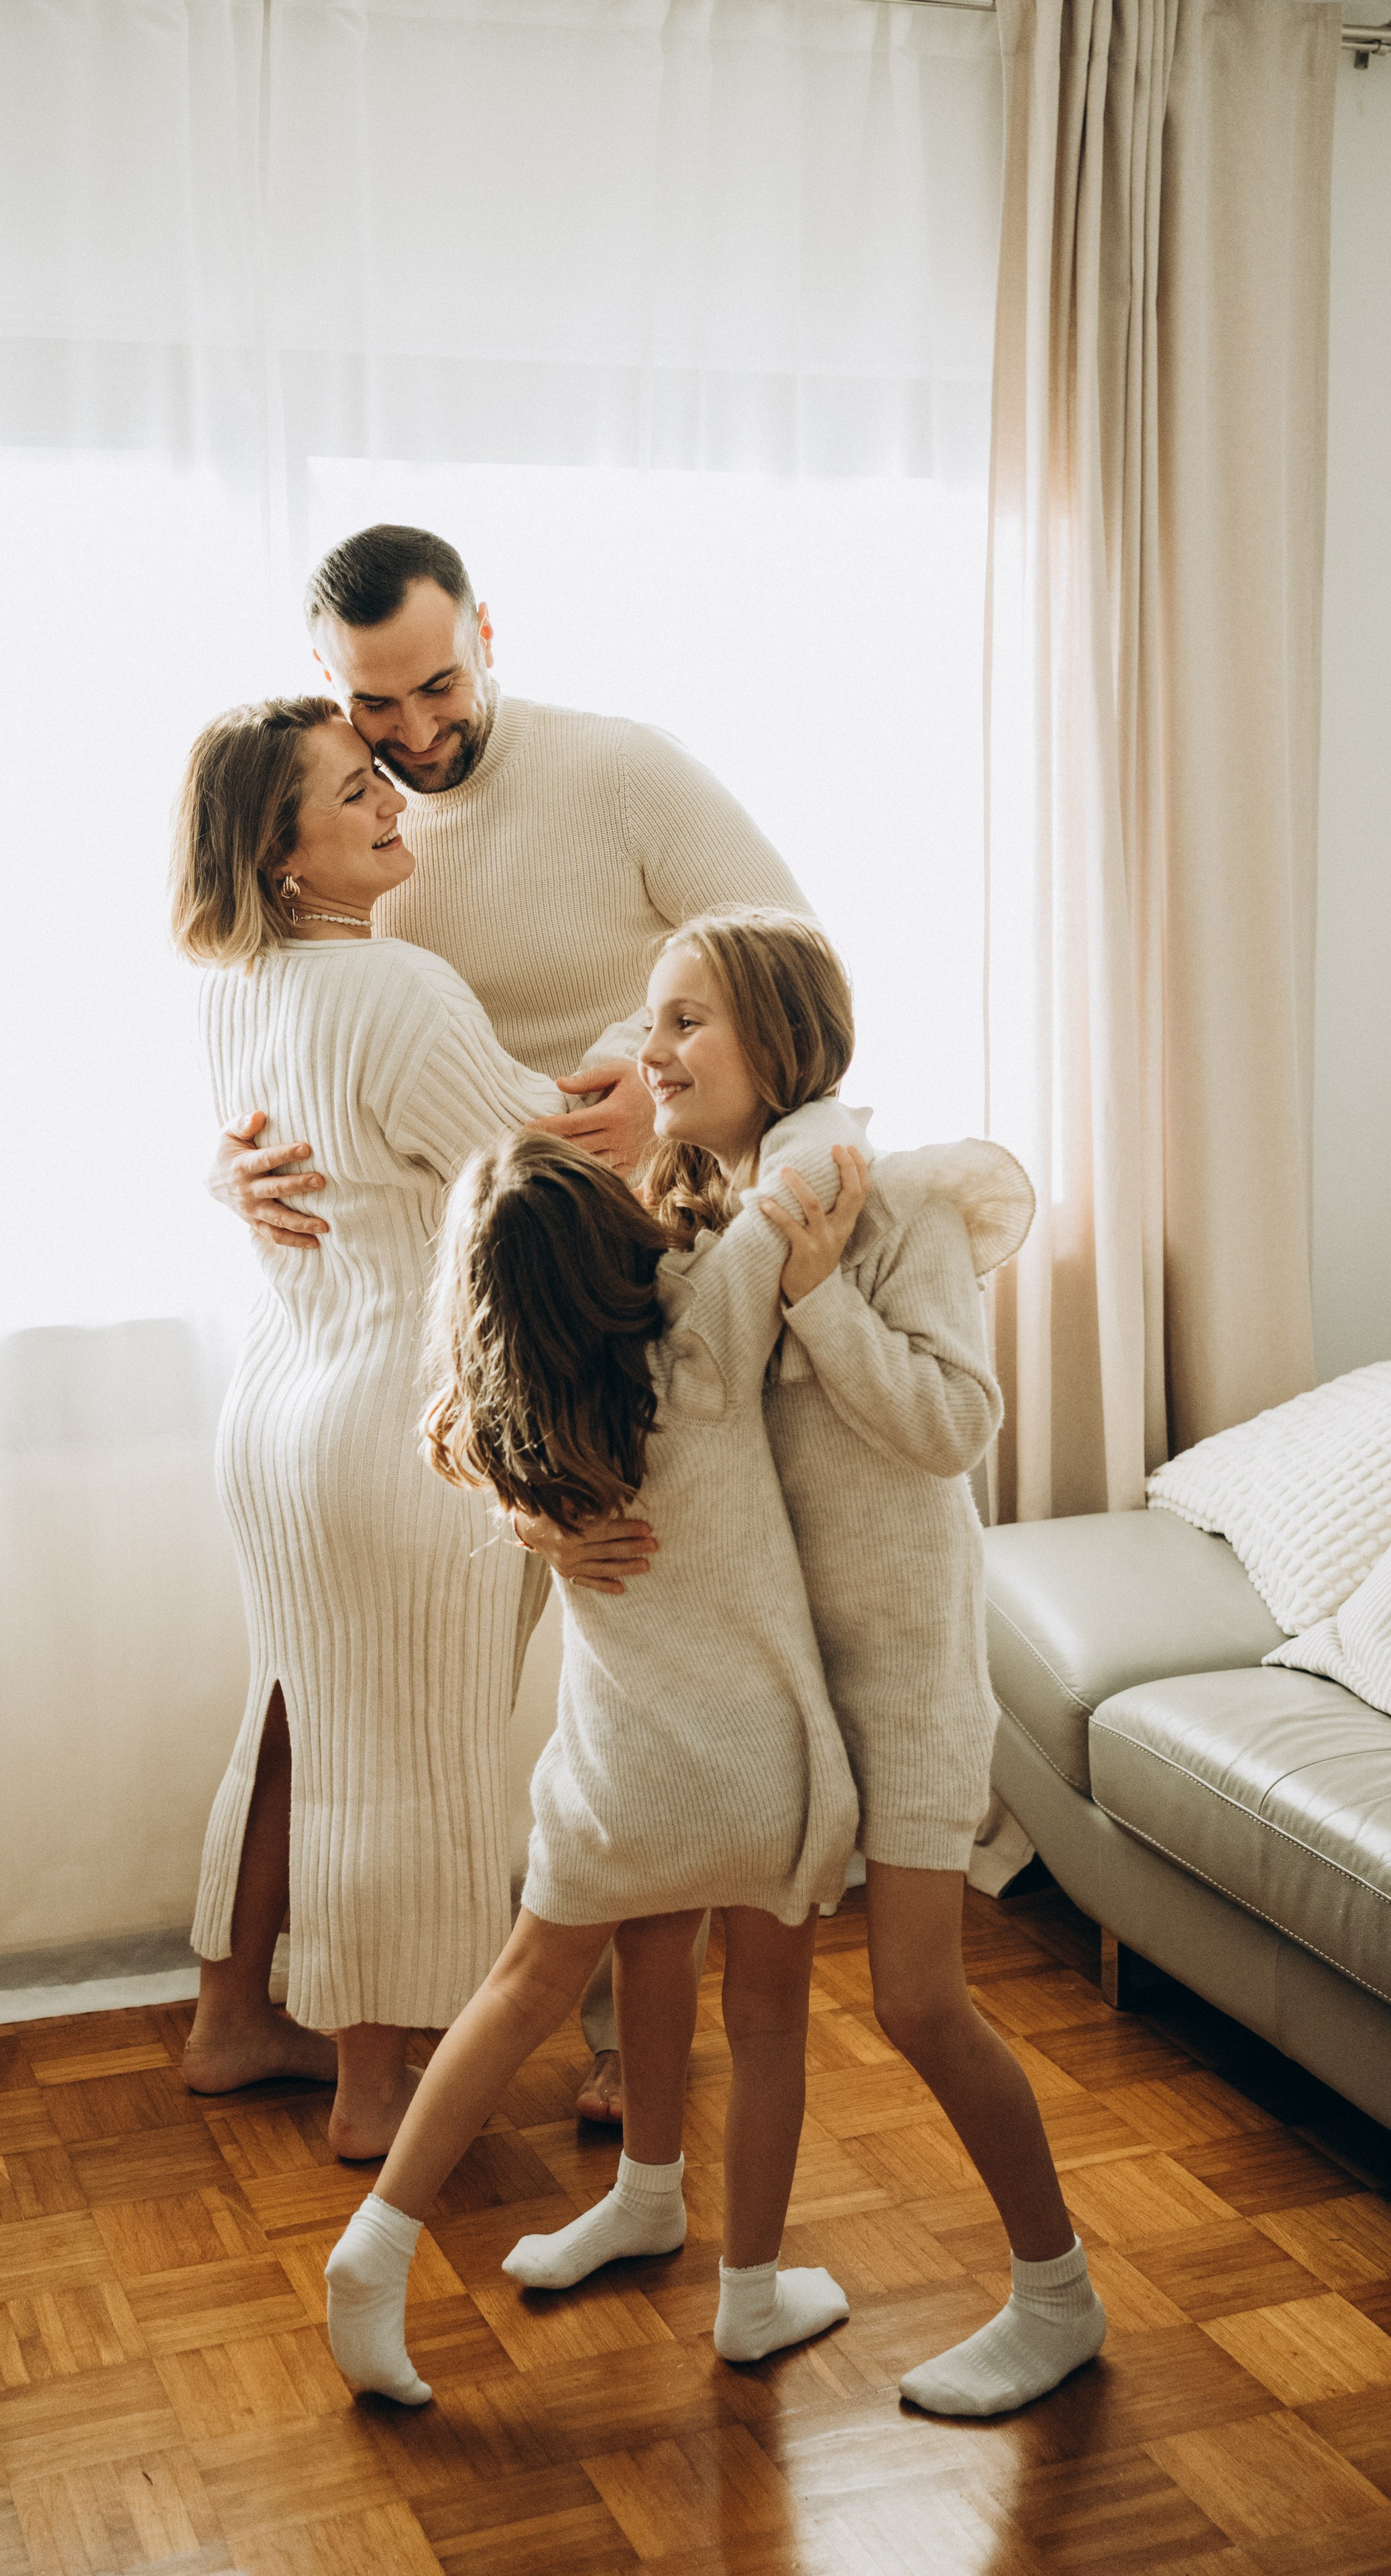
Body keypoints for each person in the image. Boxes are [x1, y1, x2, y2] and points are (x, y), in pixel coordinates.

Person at [211, 522, 811, 2121]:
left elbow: (790, 949)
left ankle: (626, 2056)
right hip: (426, 1314)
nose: (409, 737)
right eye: (371, 710)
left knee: (635, 1669)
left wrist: (649, 1066)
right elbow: (311, 1030)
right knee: (409, 1698)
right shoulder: (357, 826)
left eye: (435, 685)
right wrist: (234, 1167)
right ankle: (449, 2035)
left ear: (486, 627)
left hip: (612, 1285)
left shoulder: (618, 772)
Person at [517, 910, 1108, 2418]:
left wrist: (815, 1294)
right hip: (763, 1670)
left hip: (895, 1678)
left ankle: (1057, 2296)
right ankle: (651, 2196)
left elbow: (948, 1425)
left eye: (685, 1023)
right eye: (649, 1023)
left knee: (916, 1997)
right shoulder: (696, 1200)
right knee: (661, 1937)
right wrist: (552, 1533)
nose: (650, 1054)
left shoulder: (875, 1202)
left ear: (782, 1037)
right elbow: (628, 1414)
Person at [323, 1130, 867, 2405]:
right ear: (617, 1243)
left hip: (625, 1779)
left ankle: (380, 2241)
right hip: (759, 1770)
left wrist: (532, 1524)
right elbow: (819, 1157)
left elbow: (474, 1428)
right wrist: (674, 1109)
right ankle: (745, 2295)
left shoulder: (513, 1430)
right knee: (771, 2022)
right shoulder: (703, 1344)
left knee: (525, 1991)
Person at [170, 694, 565, 2157]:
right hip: (395, 1427)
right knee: (408, 1746)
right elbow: (528, 1162)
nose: (395, 800)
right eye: (355, 793)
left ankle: (230, 2018)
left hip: (276, 1412)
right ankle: (371, 2086)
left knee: (292, 1719)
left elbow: (286, 1157)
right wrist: (647, 1092)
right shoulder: (399, 994)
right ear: (281, 855)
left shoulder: (233, 984)